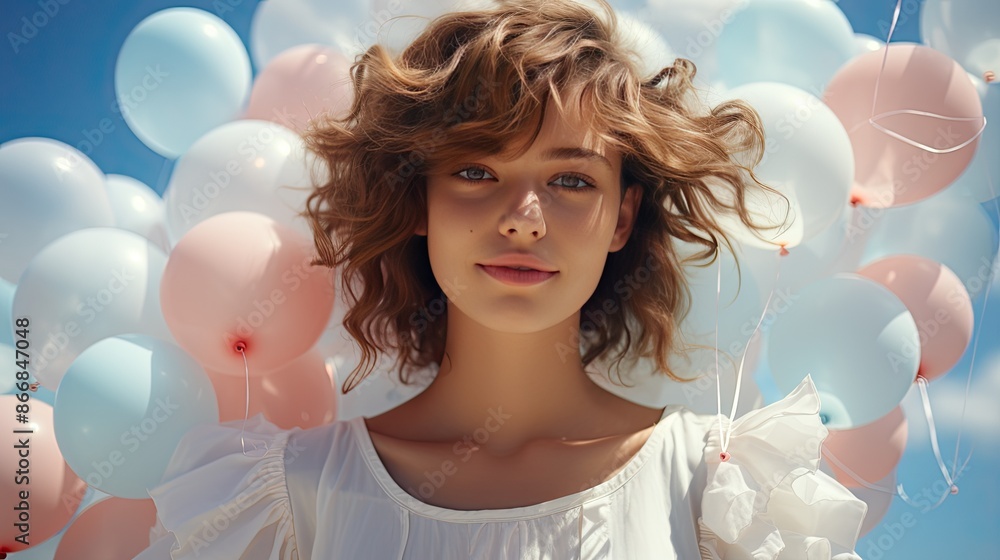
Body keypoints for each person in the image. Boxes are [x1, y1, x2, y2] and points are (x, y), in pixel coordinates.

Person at [134, 0, 868, 558]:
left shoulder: (726, 491)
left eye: (573, 180)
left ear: (622, 217)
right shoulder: (283, 499)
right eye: (477, 170)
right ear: (419, 197)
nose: (524, 218)